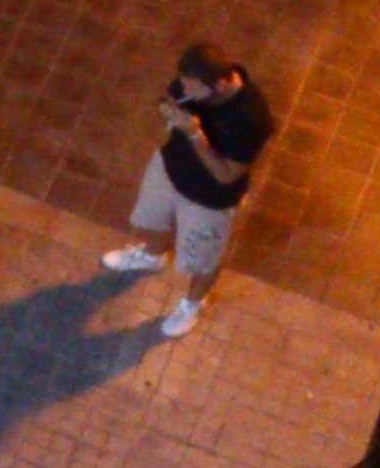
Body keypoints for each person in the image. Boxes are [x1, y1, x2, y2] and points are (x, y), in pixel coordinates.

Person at [100, 43, 272, 339]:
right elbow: (169, 101)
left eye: (193, 89)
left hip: (209, 199)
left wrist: (194, 133)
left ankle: (193, 304)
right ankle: (152, 256)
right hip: (169, 169)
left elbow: (226, 175)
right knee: (149, 220)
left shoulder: (252, 119)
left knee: (202, 259)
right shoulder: (192, 82)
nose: (185, 92)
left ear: (220, 84)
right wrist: (168, 111)